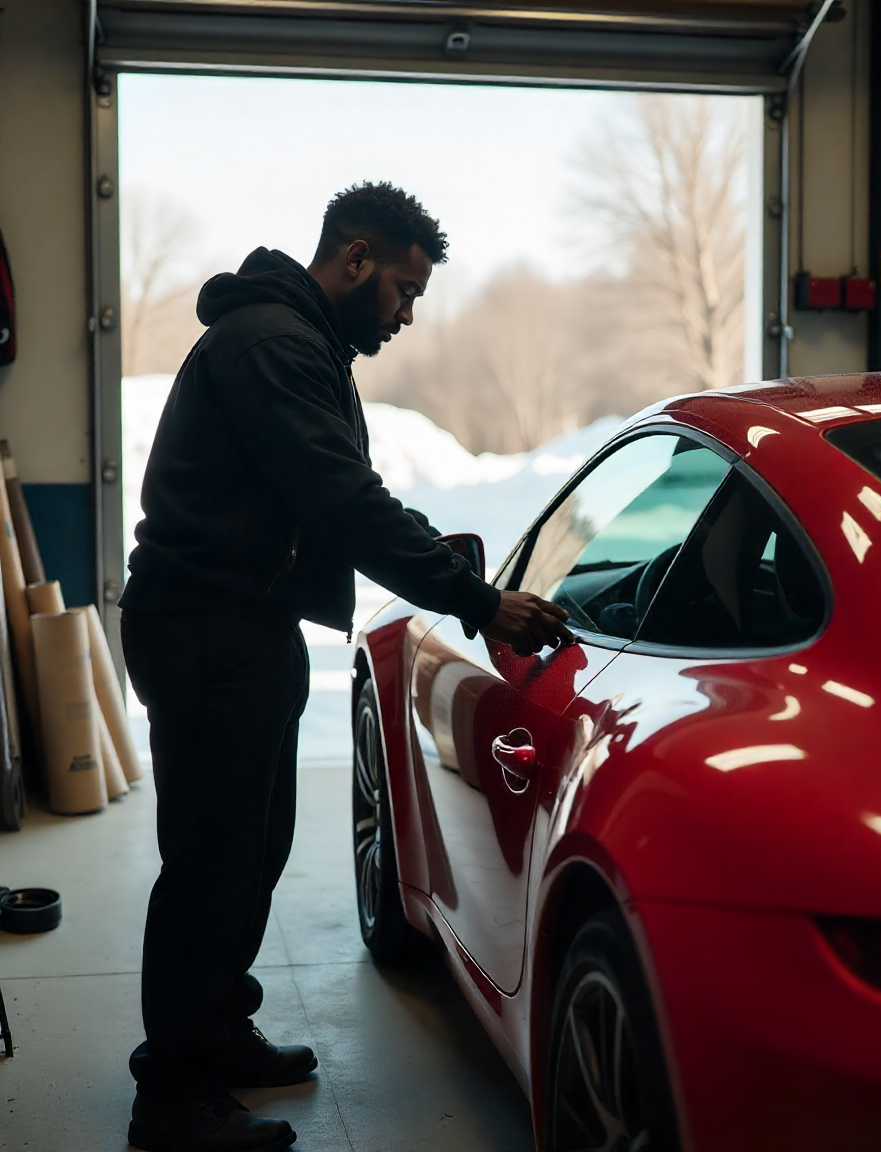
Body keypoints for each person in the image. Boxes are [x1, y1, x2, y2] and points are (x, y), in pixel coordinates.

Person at [120, 181, 572, 1152]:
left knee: (251, 851)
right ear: (356, 258)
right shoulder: (275, 346)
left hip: (243, 625)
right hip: (207, 631)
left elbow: (335, 497)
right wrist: (475, 598)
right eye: (403, 289)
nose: (408, 313)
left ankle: (219, 1030)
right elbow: (342, 499)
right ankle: (174, 1097)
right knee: (208, 865)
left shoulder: (297, 340)